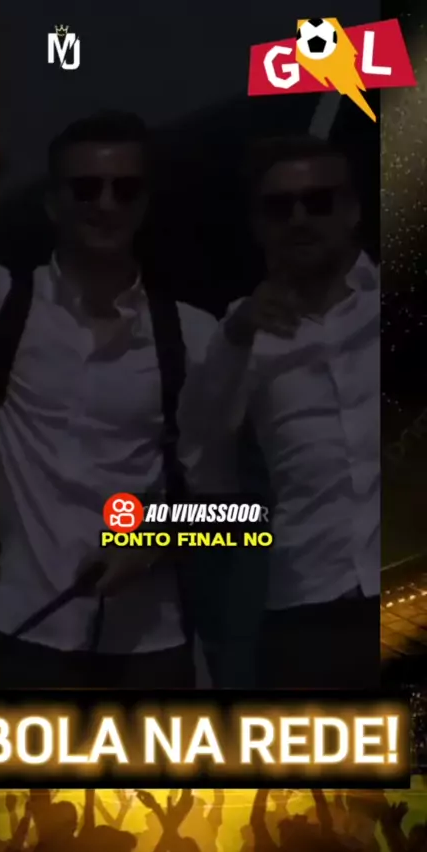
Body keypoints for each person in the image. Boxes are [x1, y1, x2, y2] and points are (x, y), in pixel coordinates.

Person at [0, 110, 221, 689]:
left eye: (126, 189)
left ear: (145, 204)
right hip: (21, 635)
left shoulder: (194, 336)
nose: (106, 203)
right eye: (86, 187)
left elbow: (231, 507)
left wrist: (152, 541)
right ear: (52, 203)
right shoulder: (1, 309)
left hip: (149, 649)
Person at [178, 134, 380, 689]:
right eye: (279, 206)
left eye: (318, 201)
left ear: (352, 210)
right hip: (308, 607)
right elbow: (201, 463)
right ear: (258, 225)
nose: (299, 218)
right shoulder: (238, 336)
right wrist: (237, 337)